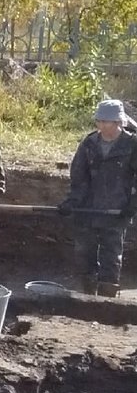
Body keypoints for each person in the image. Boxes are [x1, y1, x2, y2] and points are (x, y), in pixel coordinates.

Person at [64, 97, 137, 296]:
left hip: (116, 210)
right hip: (88, 210)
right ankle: (87, 296)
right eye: (99, 121)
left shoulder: (131, 145)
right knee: (84, 254)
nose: (102, 125)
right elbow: (78, 175)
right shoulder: (89, 143)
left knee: (111, 257)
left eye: (106, 122)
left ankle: (106, 301)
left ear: (118, 122)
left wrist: (132, 204)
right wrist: (72, 200)